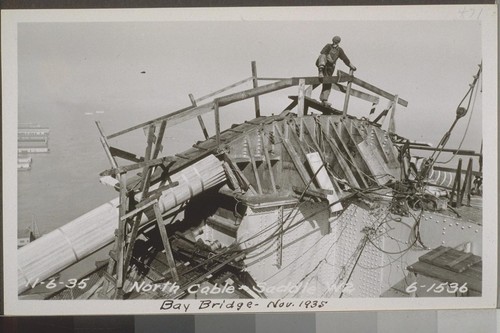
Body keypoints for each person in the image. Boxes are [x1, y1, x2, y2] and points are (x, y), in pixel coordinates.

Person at [316, 35, 357, 106]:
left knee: (328, 81)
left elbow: (345, 59)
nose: (335, 44)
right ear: (332, 41)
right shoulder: (328, 46)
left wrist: (351, 65)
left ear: (338, 43)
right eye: (334, 42)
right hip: (323, 64)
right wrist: (330, 60)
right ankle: (320, 71)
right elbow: (323, 53)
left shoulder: (339, 50)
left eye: (336, 42)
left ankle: (324, 100)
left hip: (330, 68)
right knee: (322, 56)